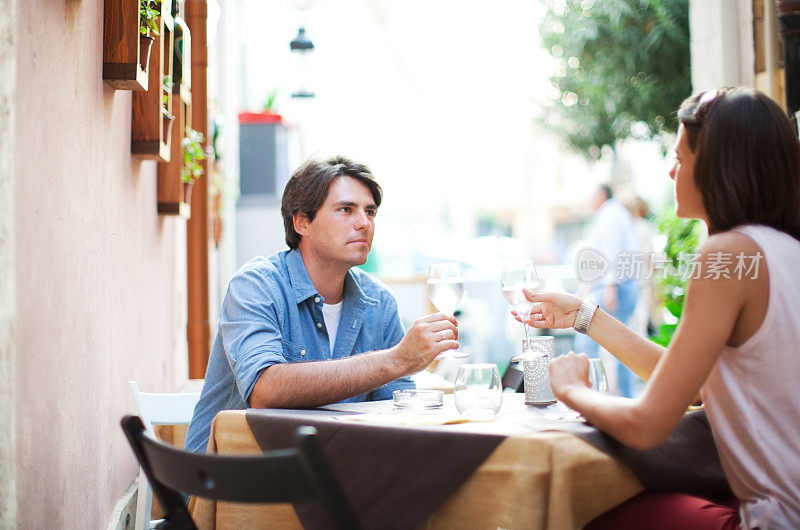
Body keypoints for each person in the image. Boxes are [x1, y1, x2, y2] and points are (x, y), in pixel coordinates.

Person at [517, 88, 800, 528]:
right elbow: (693, 385)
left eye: (680, 159)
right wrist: (583, 315)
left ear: (717, 167)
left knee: (583, 509)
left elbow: (646, 426)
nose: (671, 172)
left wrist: (572, 389)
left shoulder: (727, 255)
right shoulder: (781, 250)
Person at [185, 156, 459, 453]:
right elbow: (264, 391)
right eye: (346, 210)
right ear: (302, 222)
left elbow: (397, 411)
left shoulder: (380, 303)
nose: (364, 223)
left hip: (332, 472)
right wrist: (398, 359)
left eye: (370, 211)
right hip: (233, 475)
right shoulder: (255, 285)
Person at [574, 184, 640, 397]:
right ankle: (623, 397)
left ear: (601, 196)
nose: (589, 202)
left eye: (591, 196)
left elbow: (610, 252)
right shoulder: (614, 213)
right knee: (622, 347)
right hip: (619, 286)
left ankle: (593, 396)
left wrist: (610, 287)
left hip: (616, 288)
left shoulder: (609, 214)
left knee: (586, 336)